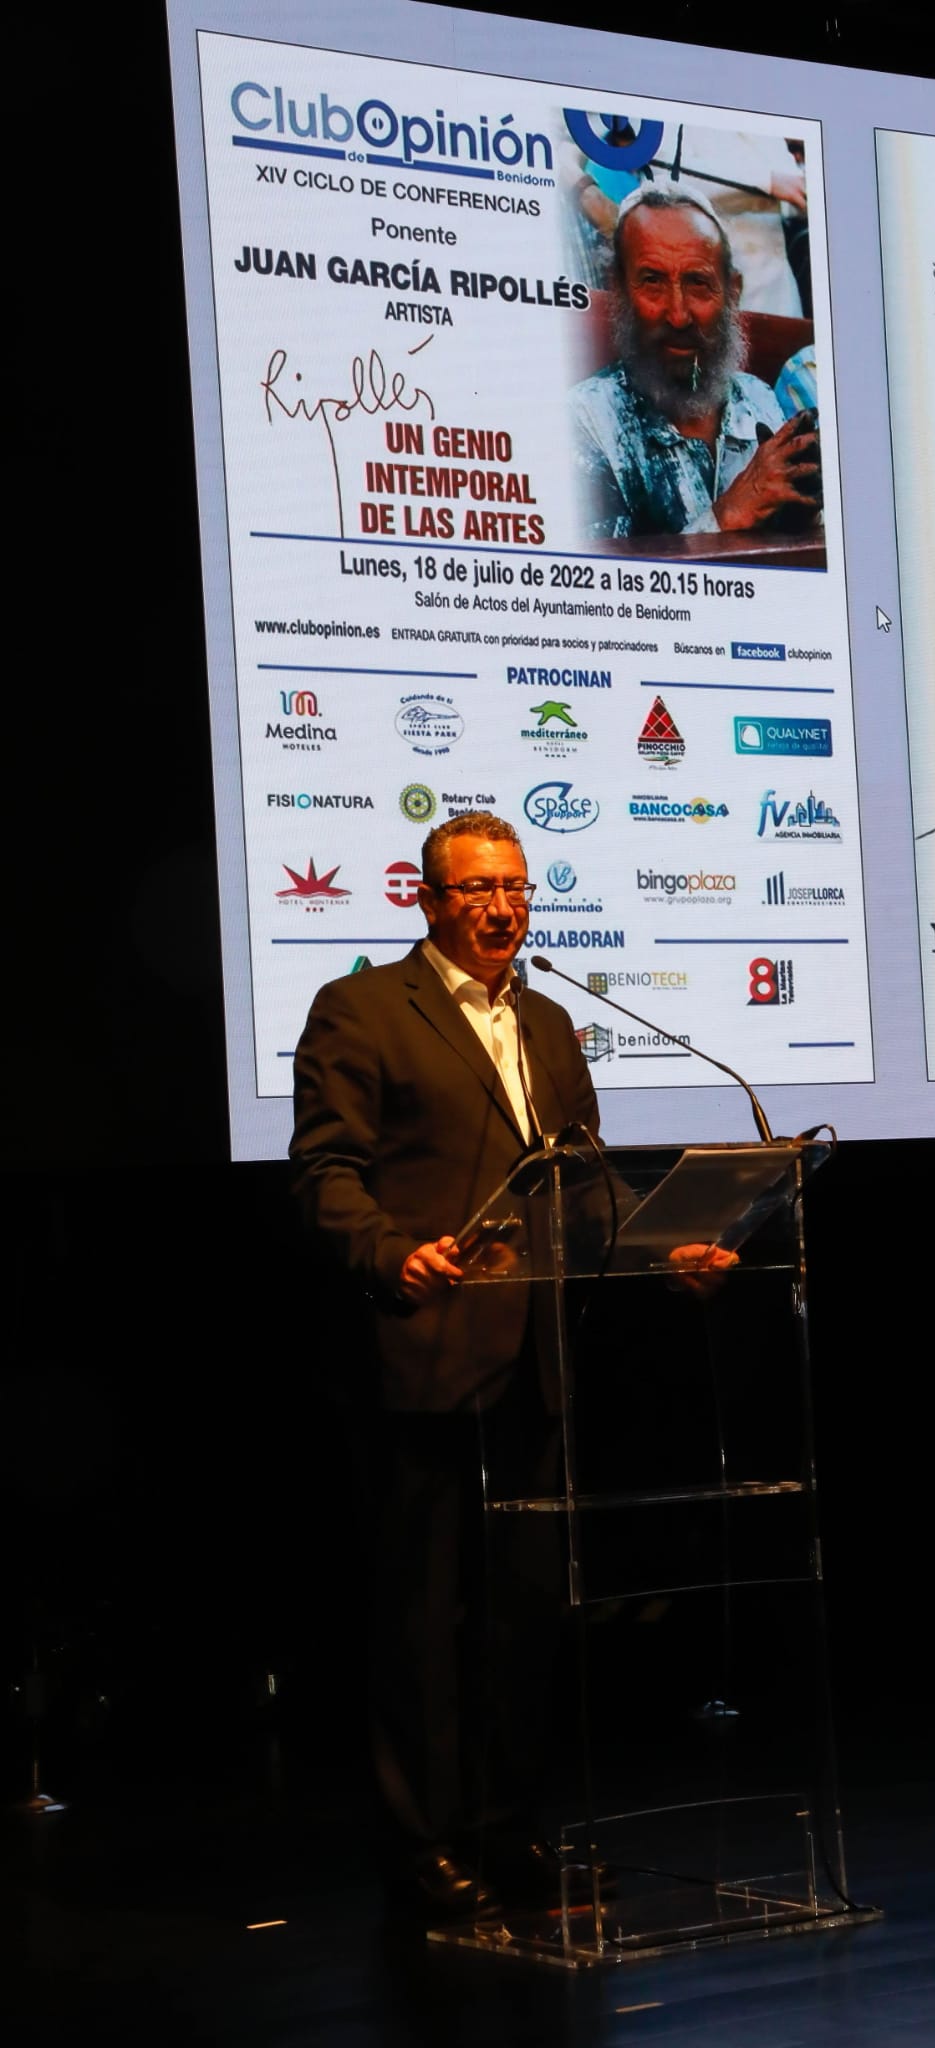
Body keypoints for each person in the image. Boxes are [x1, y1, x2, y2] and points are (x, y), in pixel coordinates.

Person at [290, 810, 600, 1917]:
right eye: (478, 889)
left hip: (533, 1358)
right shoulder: (365, 1008)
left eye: (515, 887)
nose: (502, 907)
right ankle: (421, 1846)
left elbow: (583, 1183)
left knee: (524, 1612)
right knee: (422, 1620)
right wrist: (389, 1253)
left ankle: (507, 1830)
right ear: (427, 901)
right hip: (422, 1352)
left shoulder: (550, 1021)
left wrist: (670, 1252)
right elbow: (324, 1170)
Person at [570, 187, 821, 541]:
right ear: (619, 290)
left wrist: (803, 515)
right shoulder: (585, 417)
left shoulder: (757, 396)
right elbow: (600, 574)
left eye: (698, 283)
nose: (678, 315)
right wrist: (728, 513)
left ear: (732, 293)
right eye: (652, 282)